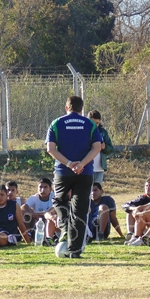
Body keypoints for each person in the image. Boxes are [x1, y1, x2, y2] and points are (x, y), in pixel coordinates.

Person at [46, 96, 102, 258]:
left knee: (59, 200)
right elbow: (97, 147)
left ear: (66, 107)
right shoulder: (90, 124)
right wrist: (81, 164)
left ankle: (64, 227)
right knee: (80, 210)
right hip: (85, 173)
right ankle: (75, 251)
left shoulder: (56, 123)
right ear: (81, 109)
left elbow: (51, 149)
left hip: (63, 172)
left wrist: (70, 164)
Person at [87, 110, 114, 184]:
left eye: (97, 123)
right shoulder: (84, 132)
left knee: (97, 189)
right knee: (87, 190)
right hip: (87, 168)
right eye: (93, 122)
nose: (95, 125)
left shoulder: (103, 132)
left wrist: (105, 147)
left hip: (99, 168)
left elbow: (110, 149)